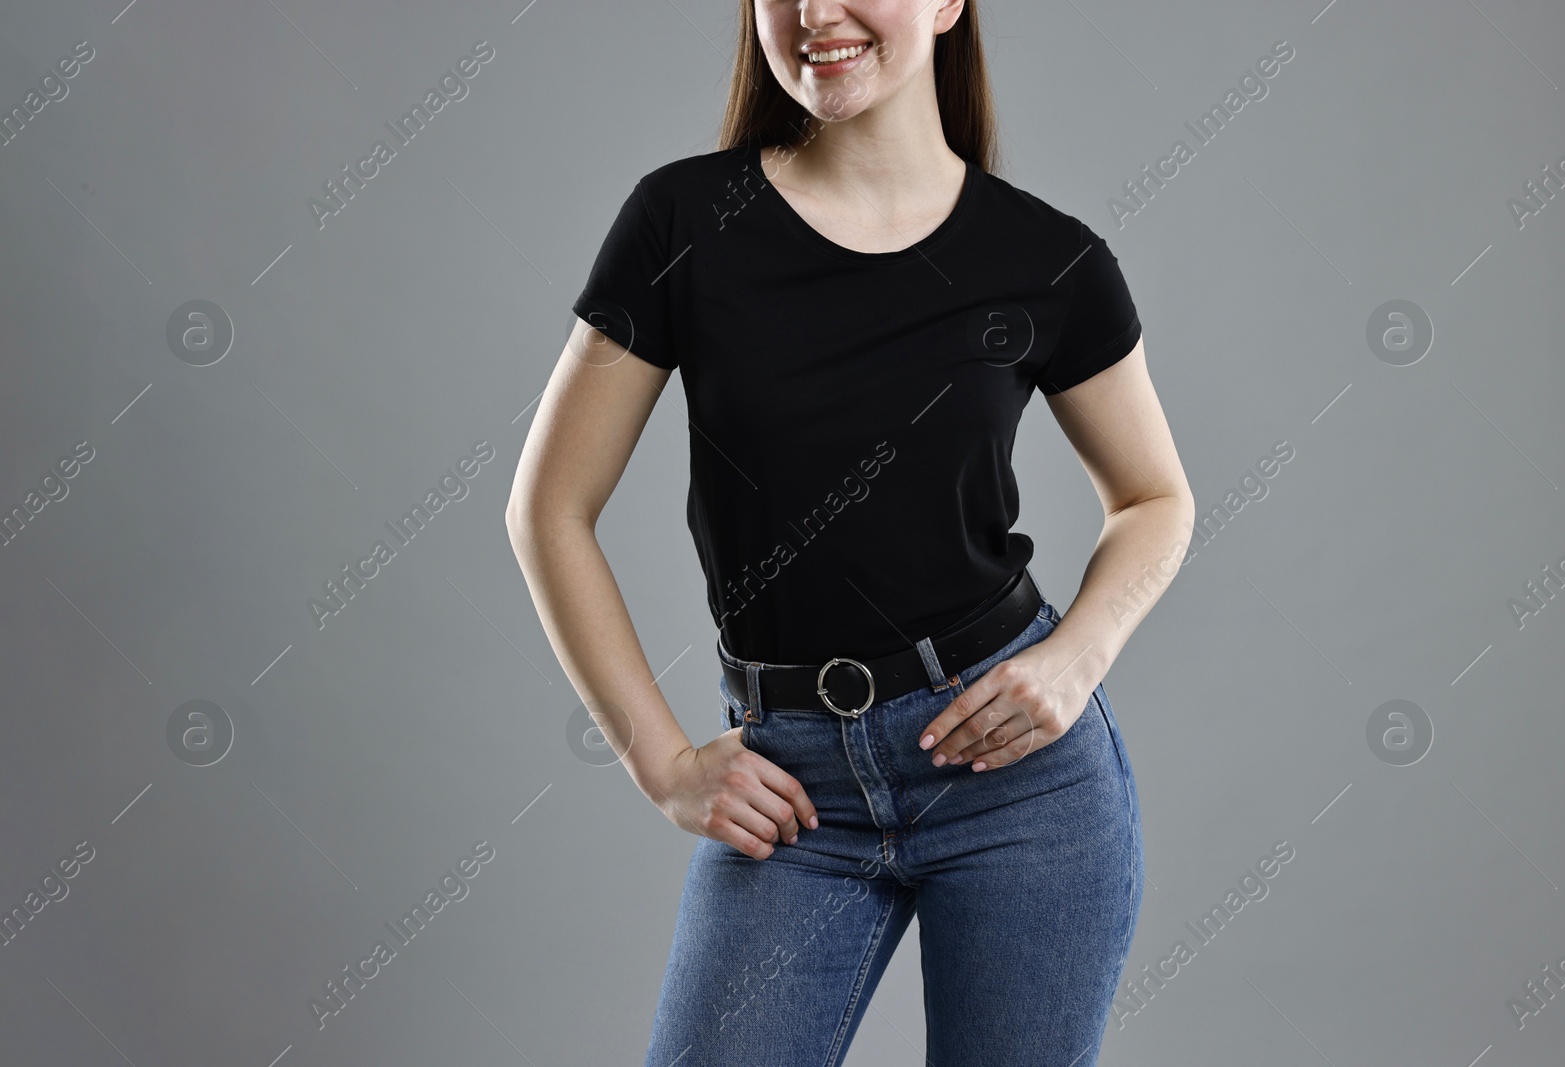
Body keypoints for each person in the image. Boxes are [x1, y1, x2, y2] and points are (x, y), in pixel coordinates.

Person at [505, 1, 1194, 1063]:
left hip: (1016, 780)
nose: (816, 12)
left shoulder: (1045, 257)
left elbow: (1156, 499)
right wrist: (665, 766)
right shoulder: (683, 222)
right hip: (790, 792)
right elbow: (547, 509)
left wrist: (1074, 660)